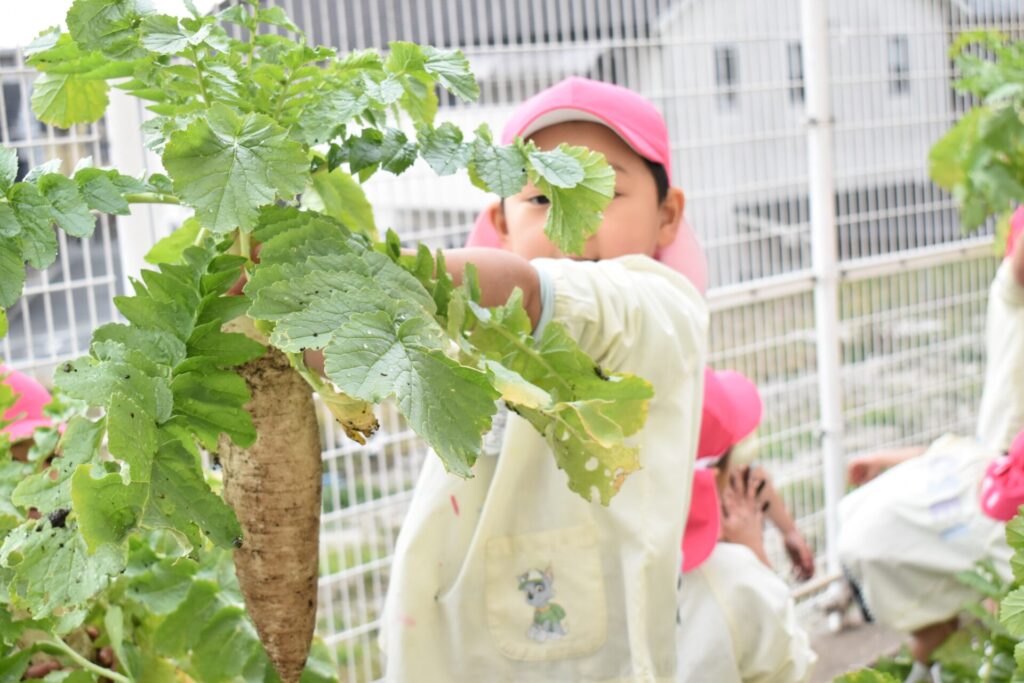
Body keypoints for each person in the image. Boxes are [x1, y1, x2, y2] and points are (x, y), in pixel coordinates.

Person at [379, 76, 709, 682]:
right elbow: (366, 356)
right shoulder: (462, 322)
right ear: (500, 222)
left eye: (601, 190)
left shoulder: (665, 308)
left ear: (667, 215)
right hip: (445, 639)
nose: (570, 225)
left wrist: (372, 274)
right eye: (539, 198)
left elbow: (537, 295)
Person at [838, 207, 1024, 683]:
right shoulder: (1012, 295)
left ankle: (938, 668)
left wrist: (884, 460)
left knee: (965, 606)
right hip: (995, 475)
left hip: (986, 480)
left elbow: (945, 451)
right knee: (979, 600)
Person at [677, 368, 816, 683]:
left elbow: (758, 481)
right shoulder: (727, 573)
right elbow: (785, 657)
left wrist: (790, 532)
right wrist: (753, 554)